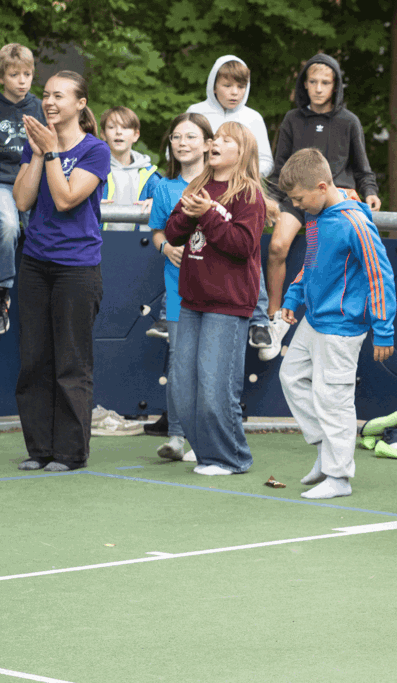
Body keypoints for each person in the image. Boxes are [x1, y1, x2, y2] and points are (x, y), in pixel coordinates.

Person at [276, 148, 395, 499]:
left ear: (322, 186)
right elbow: (309, 262)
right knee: (291, 376)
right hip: (314, 319)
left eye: (299, 199)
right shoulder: (316, 216)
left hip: (342, 326)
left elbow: (380, 274)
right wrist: (294, 297)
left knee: (334, 398)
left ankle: (339, 476)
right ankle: (325, 451)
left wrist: (383, 328)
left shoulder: (354, 222)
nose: (297, 206)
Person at [12, 70, 109, 471]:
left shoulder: (95, 150)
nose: (49, 102)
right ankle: (40, 449)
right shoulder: (38, 145)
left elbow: (67, 198)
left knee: (71, 363)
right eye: (46, 95)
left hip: (77, 268)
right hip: (36, 263)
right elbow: (21, 200)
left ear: (80, 104)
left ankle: (70, 453)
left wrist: (52, 152)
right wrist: (38, 152)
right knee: (34, 360)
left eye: (59, 96)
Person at [163, 122, 268, 476]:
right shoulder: (197, 185)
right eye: (216, 138)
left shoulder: (249, 194)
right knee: (184, 390)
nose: (216, 143)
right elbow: (174, 233)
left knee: (214, 388)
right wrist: (189, 213)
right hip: (193, 300)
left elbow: (242, 246)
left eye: (227, 139)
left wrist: (206, 214)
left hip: (229, 302)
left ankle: (232, 457)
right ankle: (208, 454)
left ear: (243, 152)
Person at [266, 53, 381, 346]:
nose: (318, 88)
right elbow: (280, 168)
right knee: (278, 245)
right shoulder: (292, 119)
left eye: (325, 82)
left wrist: (370, 193)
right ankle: (274, 315)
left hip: (334, 198)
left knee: (328, 258)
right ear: (304, 84)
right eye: (313, 81)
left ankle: (328, 315)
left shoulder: (349, 121)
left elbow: (362, 167)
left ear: (335, 85)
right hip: (296, 196)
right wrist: (268, 199)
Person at [186, 55, 278, 356]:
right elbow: (183, 146)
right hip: (201, 187)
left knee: (246, 246)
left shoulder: (253, 118)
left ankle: (260, 320)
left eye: (241, 85)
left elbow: (265, 160)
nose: (234, 92)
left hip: (242, 188)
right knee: (194, 246)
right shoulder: (196, 112)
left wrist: (240, 172)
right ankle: (168, 313)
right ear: (214, 84)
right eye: (227, 85)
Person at [149, 112, 215, 464]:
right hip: (178, 289)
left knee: (210, 366)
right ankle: (176, 437)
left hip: (216, 292)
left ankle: (205, 438)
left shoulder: (223, 184)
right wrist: (166, 247)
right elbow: (158, 231)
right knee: (179, 364)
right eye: (176, 137)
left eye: (190, 137)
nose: (182, 144)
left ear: (208, 144)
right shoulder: (165, 188)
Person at [0, 43, 44, 334]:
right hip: (3, 181)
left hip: (32, 178)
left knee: (38, 233)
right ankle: (3, 290)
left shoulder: (39, 106)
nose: (22, 81)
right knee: (8, 226)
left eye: (27, 74)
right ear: (2, 77)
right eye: (14, 75)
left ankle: (39, 295)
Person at [98, 106, 161, 231]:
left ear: (136, 135)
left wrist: (157, 202)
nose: (118, 132)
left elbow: (167, 205)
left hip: (138, 244)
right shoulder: (92, 170)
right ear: (103, 134)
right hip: (97, 242)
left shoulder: (150, 175)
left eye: (125, 127)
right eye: (111, 127)